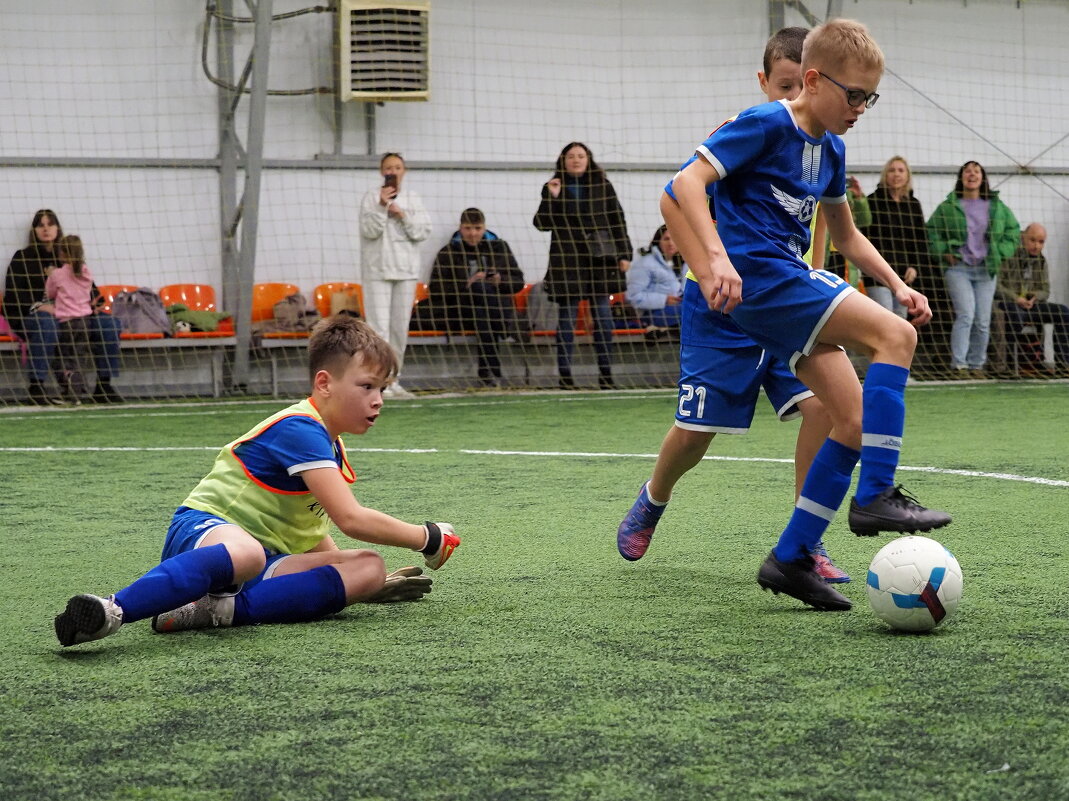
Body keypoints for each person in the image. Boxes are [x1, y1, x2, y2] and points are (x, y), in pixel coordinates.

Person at [661, 19, 952, 612]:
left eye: (871, 97)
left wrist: (897, 283)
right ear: (813, 81)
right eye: (854, 95)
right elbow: (683, 184)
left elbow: (844, 234)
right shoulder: (768, 122)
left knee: (849, 419)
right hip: (763, 282)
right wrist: (716, 260)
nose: (862, 107)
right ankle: (875, 493)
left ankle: (791, 556)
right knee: (893, 338)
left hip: (784, 283)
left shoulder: (834, 148)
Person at [53, 316, 460, 648]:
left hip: (259, 560)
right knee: (246, 552)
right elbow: (351, 518)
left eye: (383, 389)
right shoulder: (300, 428)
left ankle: (217, 610)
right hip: (203, 533)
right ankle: (112, 611)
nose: (378, 400)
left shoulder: (329, 444)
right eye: (367, 386)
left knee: (368, 566)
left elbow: (313, 531)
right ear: (324, 384)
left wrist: (355, 585)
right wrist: (426, 537)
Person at [617, 26, 850, 584]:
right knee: (697, 434)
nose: (794, 95)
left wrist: (817, 269)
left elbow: (818, 219)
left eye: (801, 85)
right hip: (723, 306)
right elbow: (681, 197)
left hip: (783, 301)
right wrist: (708, 268)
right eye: (785, 84)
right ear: (765, 81)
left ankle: (803, 542)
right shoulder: (747, 131)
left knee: (822, 407)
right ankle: (654, 496)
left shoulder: (821, 147)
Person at [533, 141, 632, 390]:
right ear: (563, 161)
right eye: (571, 156)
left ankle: (606, 375)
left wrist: (625, 254)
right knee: (566, 320)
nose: (576, 160)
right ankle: (565, 375)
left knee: (603, 318)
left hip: (599, 260)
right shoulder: (553, 187)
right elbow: (541, 223)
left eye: (580, 155)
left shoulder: (603, 185)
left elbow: (617, 219)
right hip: (567, 261)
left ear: (588, 159)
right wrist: (552, 198)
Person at [2, 209, 123, 404]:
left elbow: (90, 291)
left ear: (58, 228)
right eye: (41, 225)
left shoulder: (70, 258)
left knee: (109, 324)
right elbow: (14, 295)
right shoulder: (22, 257)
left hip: (75, 314)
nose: (46, 229)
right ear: (34, 230)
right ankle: (36, 387)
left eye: (50, 224)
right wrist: (39, 306)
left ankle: (104, 386)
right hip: (40, 314)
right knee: (47, 324)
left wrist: (95, 304)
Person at [926, 161, 1021, 378]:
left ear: (983, 178)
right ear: (961, 177)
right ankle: (959, 365)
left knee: (983, 320)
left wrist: (1000, 252)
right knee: (966, 315)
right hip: (958, 268)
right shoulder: (948, 206)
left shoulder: (997, 207)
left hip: (986, 270)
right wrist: (944, 252)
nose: (972, 174)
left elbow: (1013, 232)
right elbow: (931, 232)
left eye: (977, 171)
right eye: (967, 171)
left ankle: (977, 365)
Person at [359, 153, 432, 399]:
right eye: (389, 167)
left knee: (400, 329)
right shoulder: (370, 198)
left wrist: (403, 215)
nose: (393, 171)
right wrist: (381, 206)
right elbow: (369, 231)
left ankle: (394, 381)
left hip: (406, 272)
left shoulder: (413, 199)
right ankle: (377, 383)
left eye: (398, 167)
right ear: (382, 172)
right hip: (377, 271)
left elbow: (422, 232)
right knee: (378, 331)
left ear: (404, 171)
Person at [427, 208, 526, 386]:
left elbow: (518, 282)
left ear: (484, 228)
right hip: (462, 309)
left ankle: (487, 373)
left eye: (477, 228)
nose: (473, 234)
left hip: (487, 310)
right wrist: (467, 283)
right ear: (460, 228)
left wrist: (499, 281)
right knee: (482, 296)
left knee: (483, 312)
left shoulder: (499, 248)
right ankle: (494, 367)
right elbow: (436, 288)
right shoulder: (448, 252)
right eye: (468, 228)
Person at [860, 157, 931, 318]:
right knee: (884, 317)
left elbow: (921, 240)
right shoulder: (872, 201)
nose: (896, 174)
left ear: (907, 176)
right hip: (877, 273)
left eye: (900, 170)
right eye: (891, 170)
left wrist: (915, 267)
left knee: (900, 318)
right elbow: (864, 237)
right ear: (885, 175)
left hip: (904, 275)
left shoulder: (913, 204)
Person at [995, 223, 1069, 375]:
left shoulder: (1041, 261)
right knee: (1014, 315)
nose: (1036, 246)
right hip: (1008, 303)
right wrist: (1016, 298)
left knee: (1063, 312)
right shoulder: (1008, 254)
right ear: (1023, 238)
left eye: (1041, 242)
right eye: (1033, 240)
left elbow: (1045, 290)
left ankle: (1063, 364)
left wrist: (1035, 297)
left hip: (1031, 305)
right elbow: (997, 286)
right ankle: (1011, 366)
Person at [44, 235, 96, 404]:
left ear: (62, 253)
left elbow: (50, 294)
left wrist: (50, 275)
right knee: (78, 358)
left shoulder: (57, 274)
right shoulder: (86, 272)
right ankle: (77, 394)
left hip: (66, 322)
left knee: (61, 357)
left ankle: (68, 390)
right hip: (85, 321)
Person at [626, 225, 684, 332]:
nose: (671, 243)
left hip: (676, 308)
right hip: (652, 312)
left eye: (674, 238)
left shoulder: (681, 264)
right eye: (666, 239)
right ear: (658, 241)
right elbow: (633, 296)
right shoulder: (645, 263)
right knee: (690, 311)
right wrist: (664, 299)